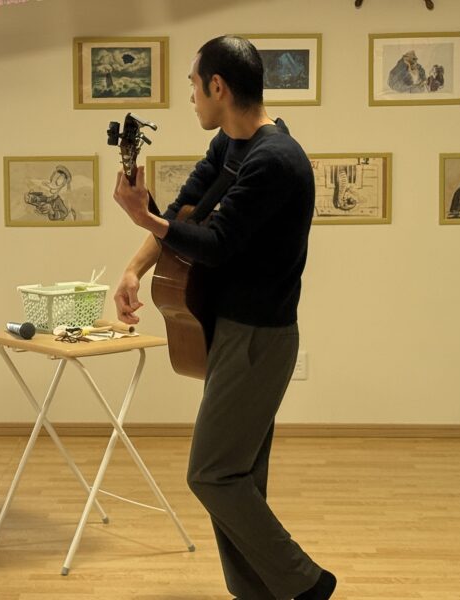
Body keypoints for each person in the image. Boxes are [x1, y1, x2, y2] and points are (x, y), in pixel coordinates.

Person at [110, 36, 337, 600]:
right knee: (240, 476)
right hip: (235, 331)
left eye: (193, 84)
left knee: (211, 473)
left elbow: (216, 244)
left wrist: (146, 220)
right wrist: (134, 268)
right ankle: (257, 592)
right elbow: (185, 213)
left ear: (218, 86)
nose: (190, 96)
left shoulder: (275, 160)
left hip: (258, 337)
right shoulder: (230, 145)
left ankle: (306, 583)